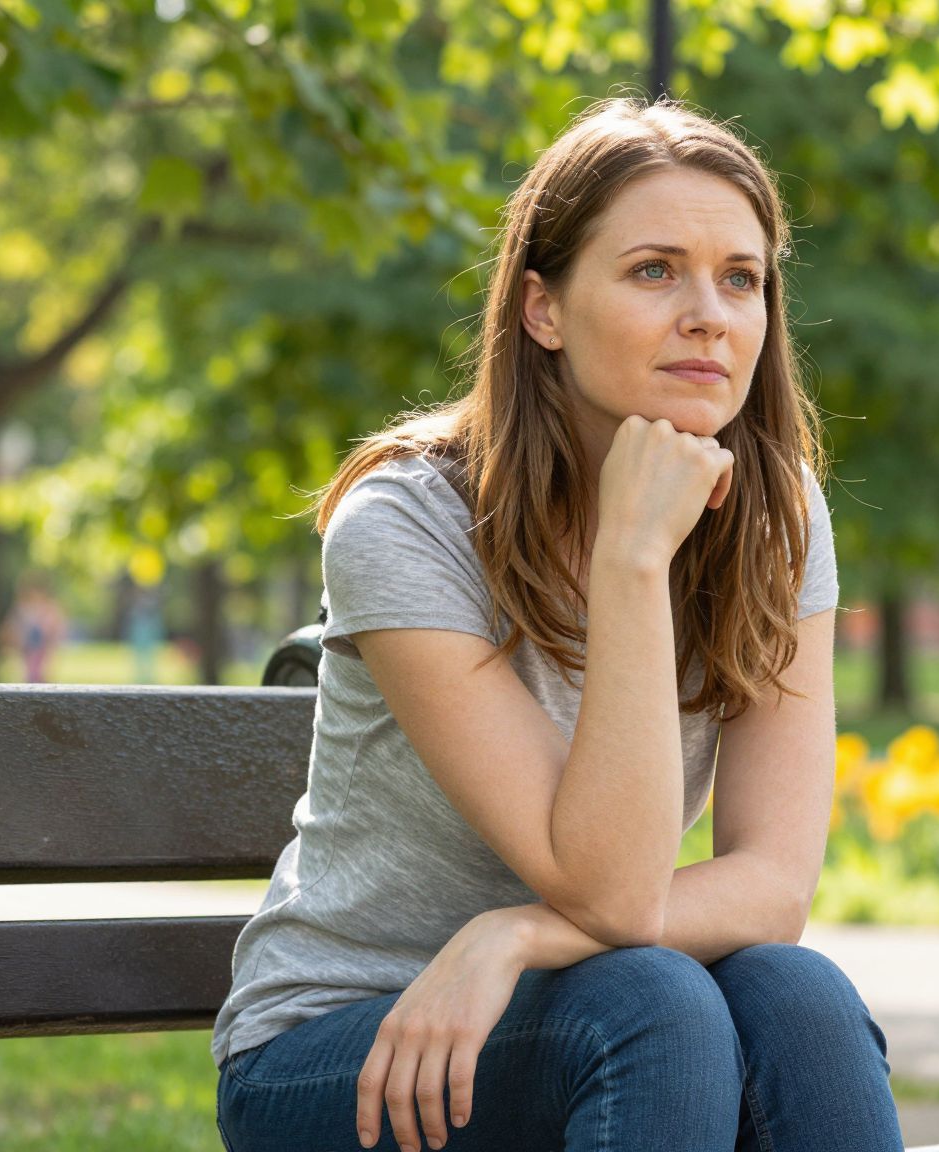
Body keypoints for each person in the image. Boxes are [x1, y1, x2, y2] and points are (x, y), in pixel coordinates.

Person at [210, 99, 903, 1152]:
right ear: (542, 309)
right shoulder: (407, 519)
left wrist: (517, 938)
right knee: (652, 1007)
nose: (709, 315)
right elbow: (616, 896)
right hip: (349, 1044)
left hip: (575, 993)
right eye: (652, 271)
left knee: (791, 994)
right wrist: (631, 559)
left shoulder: (777, 516)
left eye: (740, 278)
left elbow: (770, 886)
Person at [0, 574, 66, 683]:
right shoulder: (22, 608)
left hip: (40, 645)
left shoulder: (48, 608)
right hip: (28, 645)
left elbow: (55, 627)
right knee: (30, 669)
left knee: (40, 668)